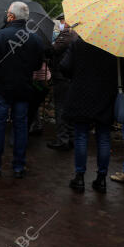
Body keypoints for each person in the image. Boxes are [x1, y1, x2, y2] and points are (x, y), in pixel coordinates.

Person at [0, 2, 44, 178]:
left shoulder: (0, 36)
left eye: (8, 13)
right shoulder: (35, 39)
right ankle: (18, 167)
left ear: (11, 17)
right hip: (24, 89)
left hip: (2, 88)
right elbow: (38, 65)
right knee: (20, 127)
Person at [60, 36, 118, 193]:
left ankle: (79, 177)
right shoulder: (114, 45)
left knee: (81, 136)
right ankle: (101, 179)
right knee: (104, 138)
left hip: (82, 96)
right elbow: (122, 75)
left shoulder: (79, 43)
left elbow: (65, 67)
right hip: (106, 98)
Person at [47, 16, 78, 151]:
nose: (60, 24)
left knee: (61, 108)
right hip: (70, 78)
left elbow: (53, 50)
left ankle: (62, 139)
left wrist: (49, 45)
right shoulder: (77, 34)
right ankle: (70, 138)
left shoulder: (67, 34)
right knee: (68, 109)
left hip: (62, 77)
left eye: (62, 21)